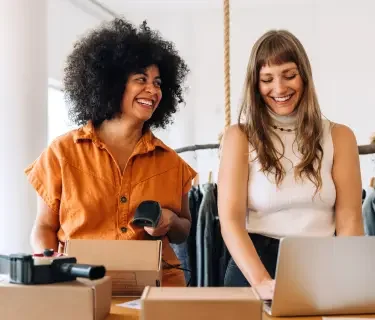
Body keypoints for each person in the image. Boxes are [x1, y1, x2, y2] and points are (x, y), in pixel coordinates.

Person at [25, 18, 196, 287]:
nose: (152, 90)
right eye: (141, 79)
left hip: (156, 289)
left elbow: (183, 230)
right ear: (113, 83)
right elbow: (45, 227)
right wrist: (52, 270)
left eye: (158, 82)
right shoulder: (61, 153)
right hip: (81, 285)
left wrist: (170, 220)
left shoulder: (172, 163)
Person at [217, 29, 364, 297]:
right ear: (255, 84)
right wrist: (261, 281)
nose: (280, 88)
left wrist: (347, 277)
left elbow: (350, 219)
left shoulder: (339, 136)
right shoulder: (239, 137)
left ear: (304, 76)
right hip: (255, 264)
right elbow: (231, 221)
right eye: (267, 79)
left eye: (289, 75)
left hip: (323, 262)